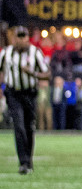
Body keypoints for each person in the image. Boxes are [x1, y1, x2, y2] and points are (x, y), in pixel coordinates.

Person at [1, 26, 52, 174]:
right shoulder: (6, 53)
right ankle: (23, 162)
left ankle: (28, 160)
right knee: (19, 126)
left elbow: (47, 73)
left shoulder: (34, 52)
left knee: (29, 127)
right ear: (14, 38)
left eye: (24, 36)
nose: (21, 40)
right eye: (19, 36)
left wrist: (32, 73)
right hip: (13, 93)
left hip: (29, 93)